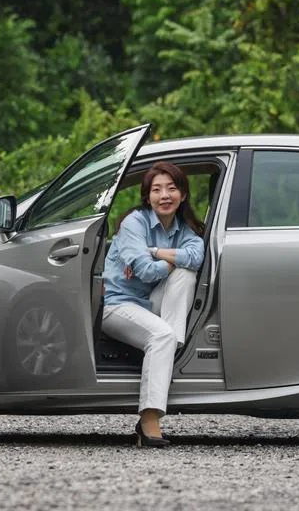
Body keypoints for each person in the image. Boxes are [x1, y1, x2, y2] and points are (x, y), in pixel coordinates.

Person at [101, 161, 205, 447]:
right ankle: (149, 419)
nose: (165, 196)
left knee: (185, 273)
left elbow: (197, 255)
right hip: (118, 305)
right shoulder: (134, 223)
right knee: (162, 334)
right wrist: (170, 261)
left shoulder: (184, 229)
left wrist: (155, 252)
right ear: (147, 197)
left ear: (183, 194)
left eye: (172, 188)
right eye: (157, 190)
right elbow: (146, 272)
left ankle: (169, 349)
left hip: (150, 304)